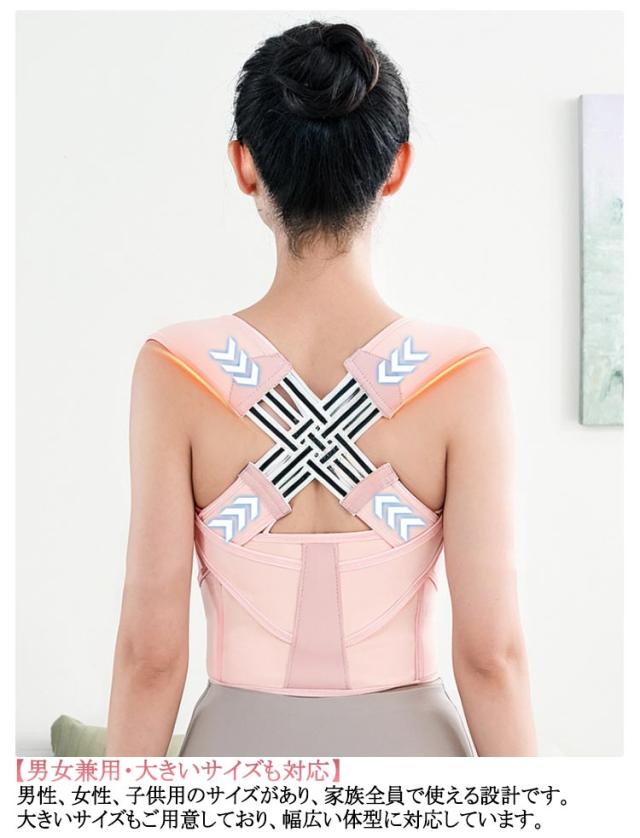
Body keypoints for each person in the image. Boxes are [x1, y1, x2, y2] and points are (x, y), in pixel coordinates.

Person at [105, 19, 537, 757]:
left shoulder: (175, 370)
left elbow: (151, 656)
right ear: (396, 167)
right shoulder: (463, 376)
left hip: (235, 761)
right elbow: (490, 657)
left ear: (245, 165)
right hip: (415, 770)